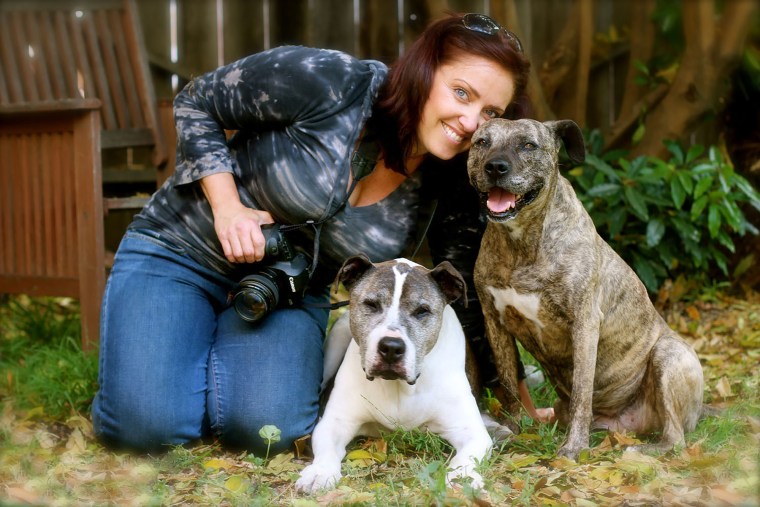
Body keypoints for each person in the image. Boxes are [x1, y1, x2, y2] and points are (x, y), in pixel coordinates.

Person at [92, 12, 549, 455]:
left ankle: (197, 364)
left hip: (282, 289)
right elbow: (197, 99)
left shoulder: (452, 176)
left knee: (266, 432)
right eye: (461, 92)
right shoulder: (333, 81)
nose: (471, 123)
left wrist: (515, 399)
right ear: (423, 71)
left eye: (490, 111)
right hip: (180, 250)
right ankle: (166, 360)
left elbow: (463, 295)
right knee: (146, 429)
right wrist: (227, 207)